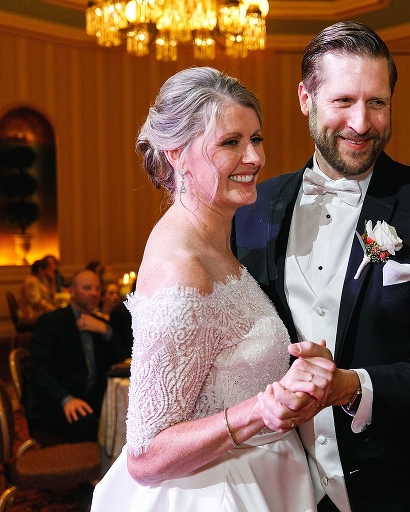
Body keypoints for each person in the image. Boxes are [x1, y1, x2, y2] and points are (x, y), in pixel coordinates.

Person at [233, 22, 410, 511]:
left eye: (377, 102)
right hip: (280, 485)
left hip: (405, 486)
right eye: (343, 101)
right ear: (305, 98)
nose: (362, 122)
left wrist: (355, 386)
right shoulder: (252, 208)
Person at [92, 67, 335, 512]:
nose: (254, 157)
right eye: (230, 143)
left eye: (256, 139)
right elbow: (145, 456)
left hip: (261, 479)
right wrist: (258, 412)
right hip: (214, 494)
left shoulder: (218, 243)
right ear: (177, 154)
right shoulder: (181, 269)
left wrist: (293, 380)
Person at [26, 269, 128, 446]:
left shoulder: (99, 323)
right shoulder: (51, 323)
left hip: (90, 396)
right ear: (71, 292)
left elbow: (122, 358)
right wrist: (66, 399)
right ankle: (85, 472)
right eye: (87, 288)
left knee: (127, 413)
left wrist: (105, 331)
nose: (94, 293)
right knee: (86, 420)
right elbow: (40, 371)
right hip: (55, 402)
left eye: (97, 289)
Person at [18, 258, 58, 324]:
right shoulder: (31, 281)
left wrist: (52, 282)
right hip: (30, 313)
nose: (48, 272)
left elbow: (51, 296)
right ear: (40, 270)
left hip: (39, 311)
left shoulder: (41, 280)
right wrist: (53, 309)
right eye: (47, 269)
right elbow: (36, 301)